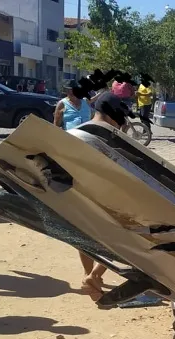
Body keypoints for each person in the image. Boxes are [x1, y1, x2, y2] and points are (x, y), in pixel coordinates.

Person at [75, 91, 132, 301]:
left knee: (83, 237)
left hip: (78, 195)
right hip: (106, 195)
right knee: (121, 238)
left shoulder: (76, 131)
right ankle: (95, 275)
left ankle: (89, 276)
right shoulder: (111, 137)